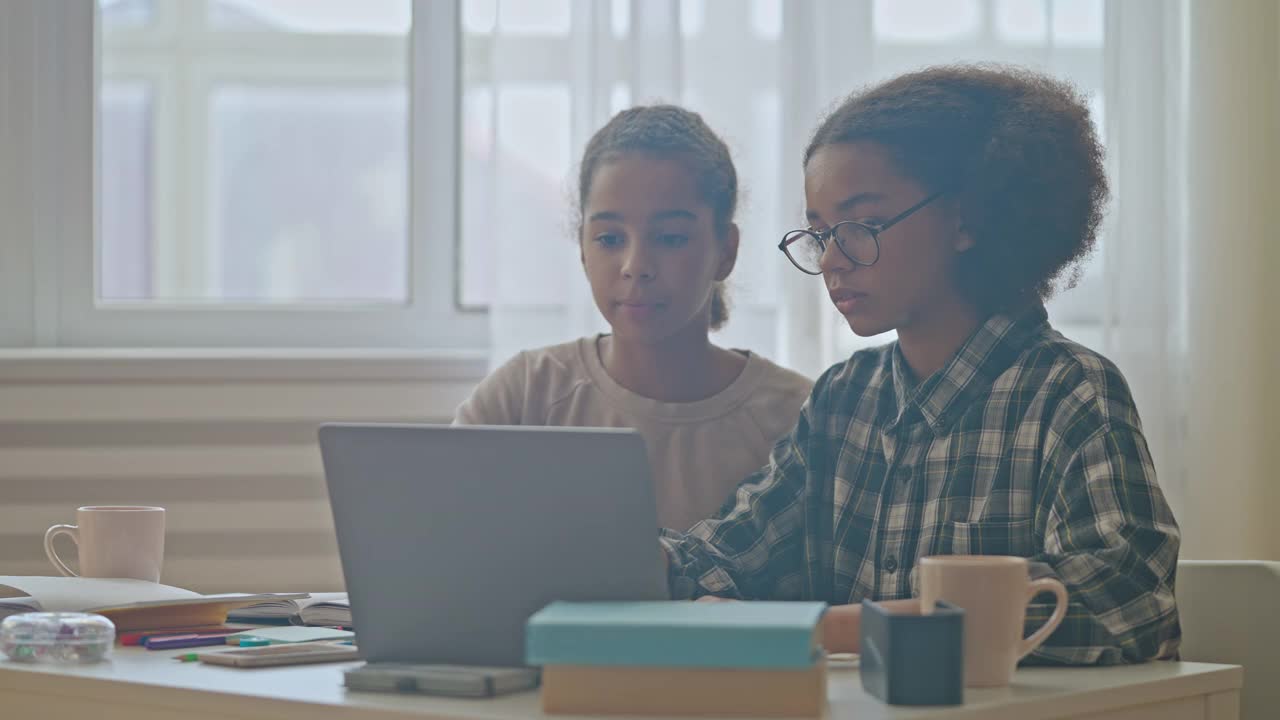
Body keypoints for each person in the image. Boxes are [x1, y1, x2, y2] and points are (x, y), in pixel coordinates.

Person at [660, 65, 1181, 665]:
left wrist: (825, 629)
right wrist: (631, 561)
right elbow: (730, 554)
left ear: (967, 217)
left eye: (865, 225)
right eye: (819, 232)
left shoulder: (1069, 392)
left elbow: (1125, 604)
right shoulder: (843, 398)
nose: (832, 259)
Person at [455, 105, 812, 531]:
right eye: (609, 238)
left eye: (670, 238)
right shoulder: (525, 396)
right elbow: (444, 543)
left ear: (726, 251)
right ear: (583, 250)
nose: (635, 265)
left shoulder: (796, 416)